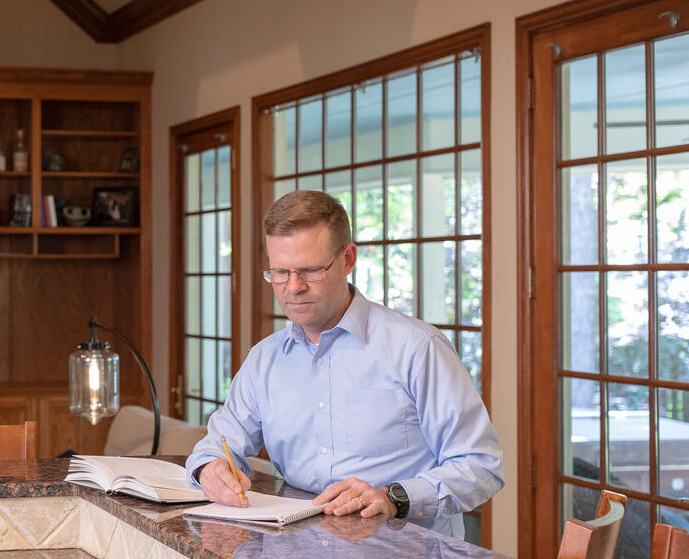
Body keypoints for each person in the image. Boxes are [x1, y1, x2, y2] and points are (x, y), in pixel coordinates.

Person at [185, 189, 503, 539]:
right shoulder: (264, 360)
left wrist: (393, 497)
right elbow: (219, 444)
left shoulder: (417, 349)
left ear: (348, 259)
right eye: (279, 272)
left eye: (309, 270)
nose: (293, 287)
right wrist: (209, 469)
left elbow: (481, 465)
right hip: (299, 557)